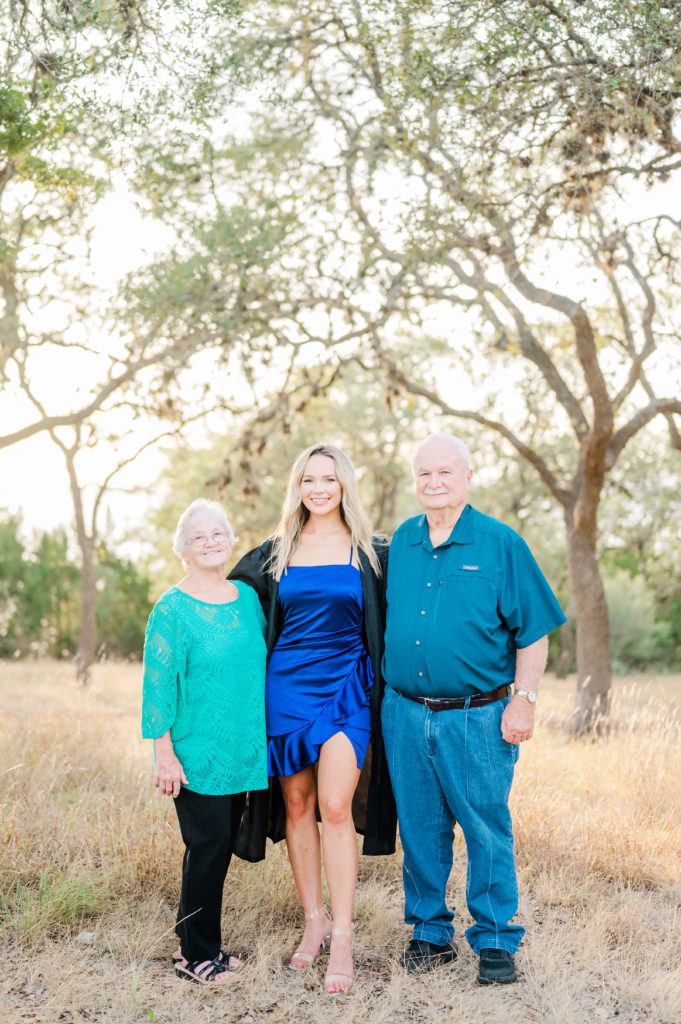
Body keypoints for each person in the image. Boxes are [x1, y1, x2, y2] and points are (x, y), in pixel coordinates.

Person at [381, 434, 566, 985]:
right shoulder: (402, 544)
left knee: (485, 828)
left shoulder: (500, 543)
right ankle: (430, 932)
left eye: (444, 473)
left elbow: (534, 635)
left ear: (466, 478)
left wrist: (524, 702)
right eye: (423, 474)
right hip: (405, 713)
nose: (433, 483)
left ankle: (494, 941)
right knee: (418, 828)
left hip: (478, 716)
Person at [228, 443, 396, 995]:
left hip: (347, 688)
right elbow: (228, 602)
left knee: (334, 805)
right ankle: (314, 920)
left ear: (345, 485)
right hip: (285, 691)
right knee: (297, 805)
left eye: (328, 479)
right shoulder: (276, 552)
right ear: (297, 487)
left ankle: (343, 934)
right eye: (308, 479)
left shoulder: (372, 552)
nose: (318, 489)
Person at [141, 499, 268, 984]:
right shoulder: (172, 608)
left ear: (230, 540)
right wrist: (164, 753)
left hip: (242, 750)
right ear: (184, 549)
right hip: (196, 753)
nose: (211, 541)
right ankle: (196, 957)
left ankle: (195, 945)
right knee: (207, 846)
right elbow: (158, 685)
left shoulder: (246, 598)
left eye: (218, 533)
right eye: (199, 536)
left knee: (215, 849)